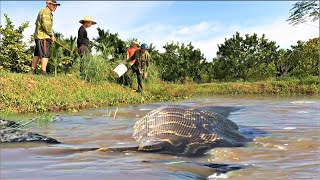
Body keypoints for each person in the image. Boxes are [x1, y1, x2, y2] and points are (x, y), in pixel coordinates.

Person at [29, 0, 60, 75]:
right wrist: (51, 35)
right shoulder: (46, 12)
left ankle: (32, 71)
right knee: (45, 54)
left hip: (39, 36)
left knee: (37, 54)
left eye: (56, 6)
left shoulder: (42, 11)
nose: (55, 7)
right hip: (44, 37)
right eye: (53, 5)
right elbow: (46, 25)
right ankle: (43, 72)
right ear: (49, 4)